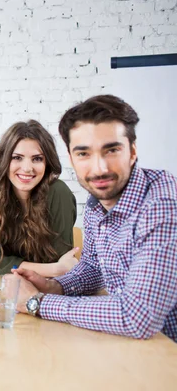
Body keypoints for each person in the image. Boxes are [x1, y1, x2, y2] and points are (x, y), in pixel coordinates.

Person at [13, 95, 177, 342]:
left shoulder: (163, 203)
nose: (99, 168)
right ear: (71, 158)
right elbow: (93, 267)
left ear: (132, 152)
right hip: (134, 347)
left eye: (111, 150)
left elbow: (138, 317)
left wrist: (38, 302)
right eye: (84, 154)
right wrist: (54, 286)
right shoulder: (96, 202)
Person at [0, 120, 78, 276]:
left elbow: (62, 262)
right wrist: (53, 269)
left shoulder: (59, 193)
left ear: (47, 163)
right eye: (17, 158)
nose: (27, 168)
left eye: (37, 159)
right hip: (5, 286)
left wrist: (3, 264)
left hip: (47, 288)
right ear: (4, 160)